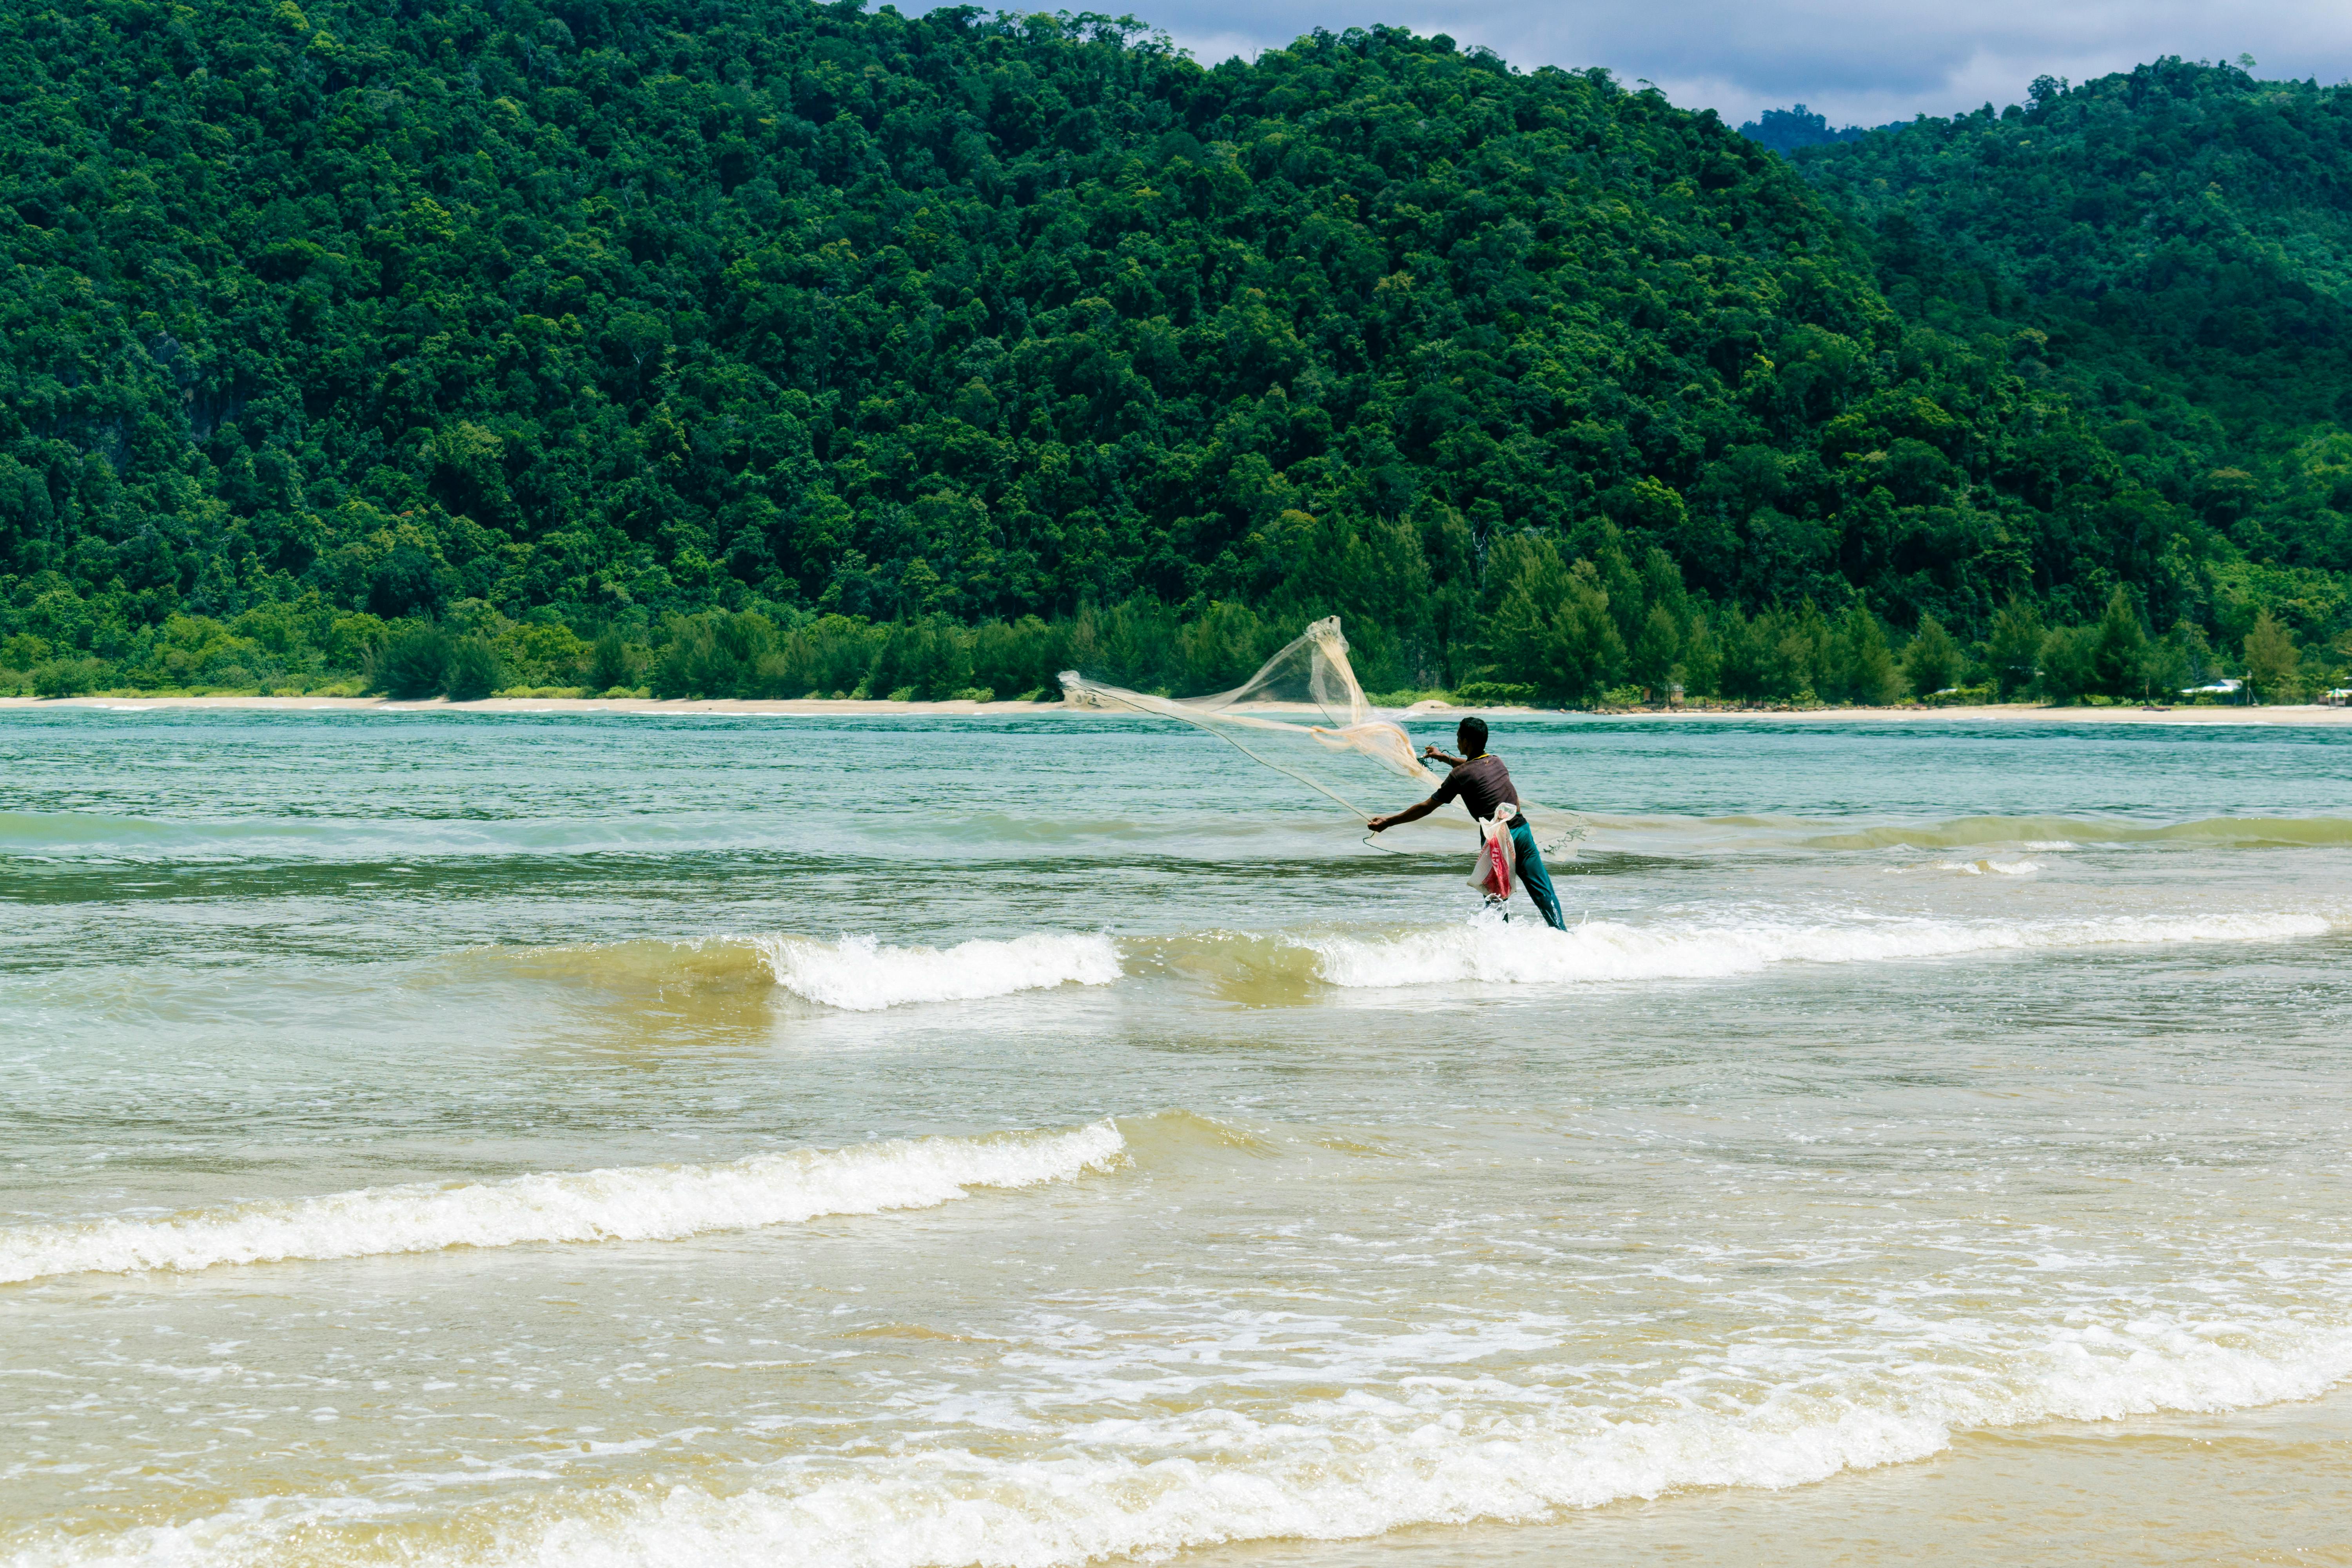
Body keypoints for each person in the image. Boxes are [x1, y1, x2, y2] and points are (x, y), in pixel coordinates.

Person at [1366, 715, 1566, 931]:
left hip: (1497, 839)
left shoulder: (1459, 775)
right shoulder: (1497, 761)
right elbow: (1475, 766)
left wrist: (1389, 822)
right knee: (1542, 890)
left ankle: (1500, 943)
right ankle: (1562, 933)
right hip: (1522, 831)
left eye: (1459, 738)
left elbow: (1427, 807)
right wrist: (1443, 758)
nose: (1458, 742)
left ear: (1468, 742)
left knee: (1495, 899)